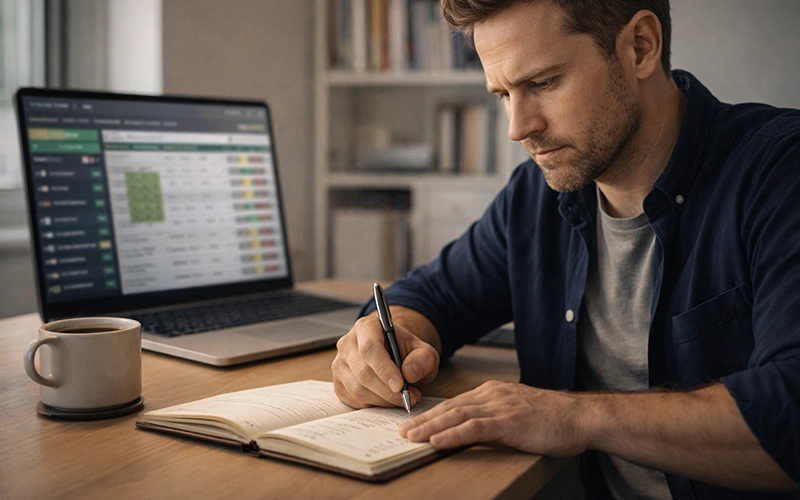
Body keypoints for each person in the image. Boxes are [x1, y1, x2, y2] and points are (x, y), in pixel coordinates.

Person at [331, 0, 800, 497]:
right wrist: (388, 339)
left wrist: (575, 416)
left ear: (641, 47)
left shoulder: (778, 173)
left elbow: (790, 415)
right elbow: (433, 296)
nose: (518, 127)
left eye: (542, 83)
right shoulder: (537, 198)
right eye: (503, 94)